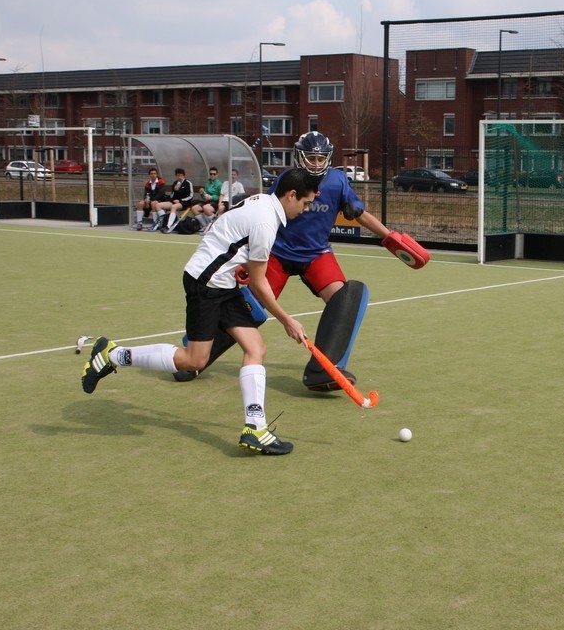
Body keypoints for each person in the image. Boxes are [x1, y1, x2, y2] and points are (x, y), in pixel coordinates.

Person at [79, 168, 319, 455]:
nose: (306, 210)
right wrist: (287, 320)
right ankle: (112, 354)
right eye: (305, 203)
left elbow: (231, 236)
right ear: (291, 195)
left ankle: (256, 428)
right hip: (204, 283)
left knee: (256, 347)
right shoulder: (266, 222)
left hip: (223, 282)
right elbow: (258, 283)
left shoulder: (263, 202)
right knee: (194, 360)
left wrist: (236, 263)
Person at [174, 131, 429, 391]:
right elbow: (264, 214)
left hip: (316, 254)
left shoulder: (338, 181)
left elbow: (360, 214)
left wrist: (389, 238)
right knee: (250, 306)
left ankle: (325, 371)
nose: (316, 164)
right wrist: (248, 261)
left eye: (320, 158)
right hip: (278, 252)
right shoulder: (289, 179)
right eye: (311, 158)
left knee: (345, 298)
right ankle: (193, 358)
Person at [158, 168, 194, 232]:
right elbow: (172, 196)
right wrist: (175, 190)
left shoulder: (188, 183)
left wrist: (180, 200)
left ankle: (168, 226)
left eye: (181, 175)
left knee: (173, 207)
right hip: (174, 202)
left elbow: (191, 196)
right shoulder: (175, 183)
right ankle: (164, 221)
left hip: (184, 202)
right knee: (158, 205)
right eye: (178, 175)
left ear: (184, 175)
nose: (179, 177)